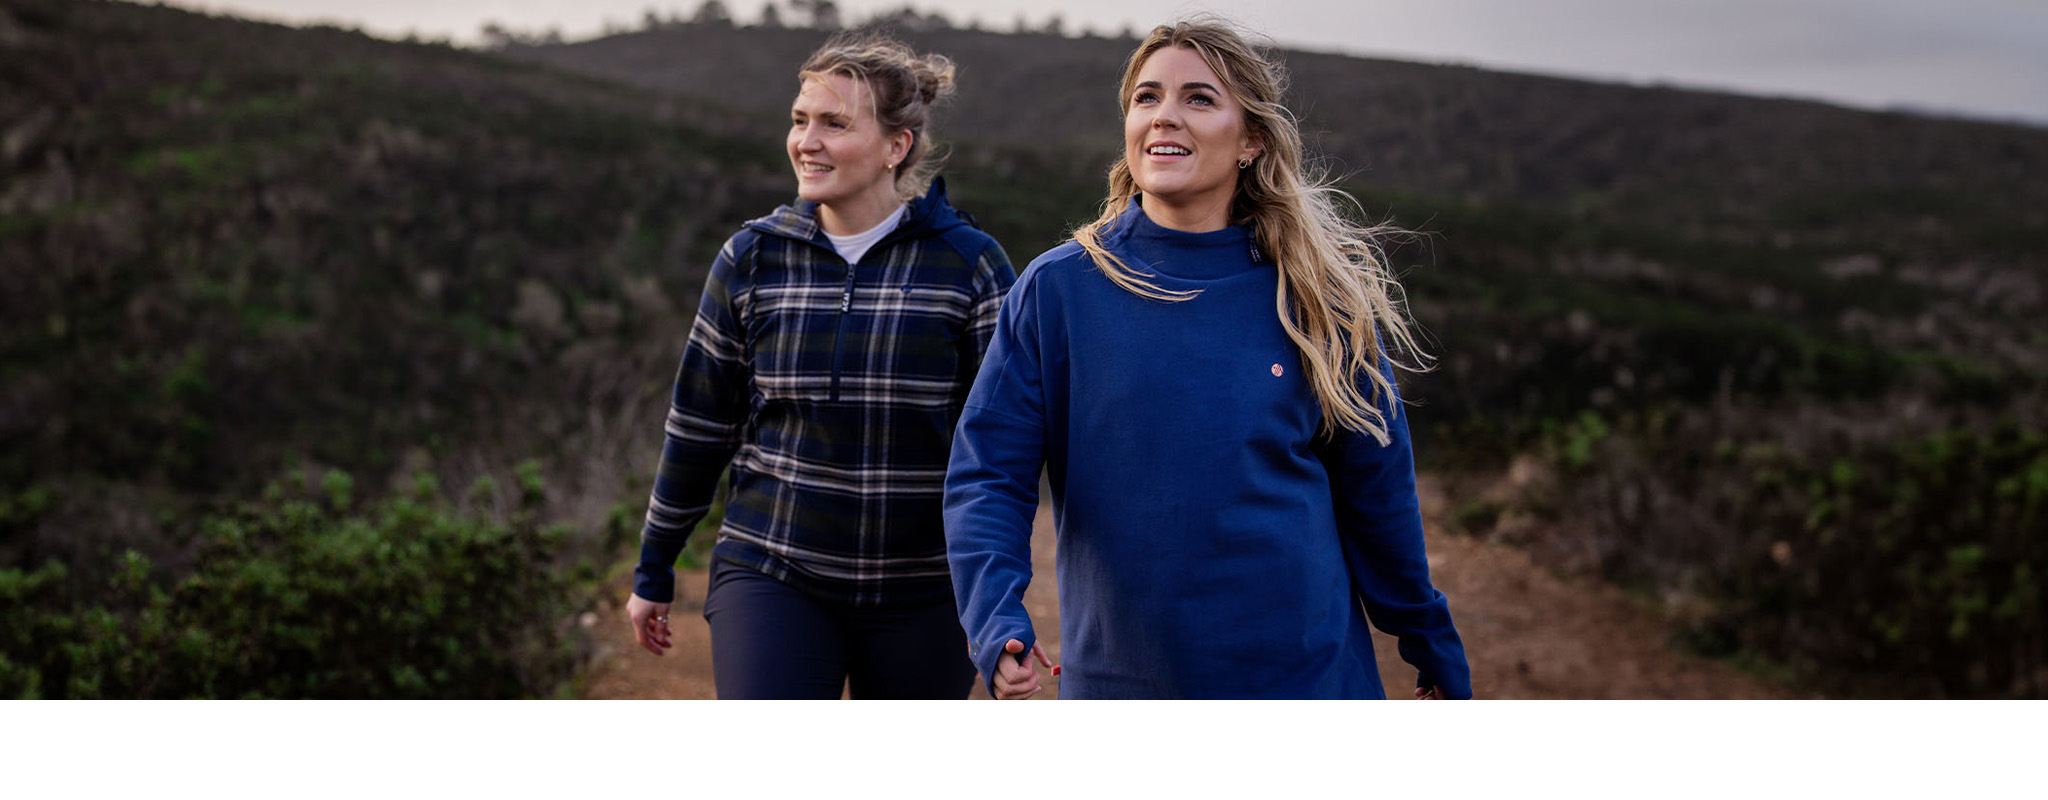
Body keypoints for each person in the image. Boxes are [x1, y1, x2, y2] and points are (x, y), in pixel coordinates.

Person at [944, 18, 1471, 699]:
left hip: (1304, 682)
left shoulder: (1319, 296)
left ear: (1250, 139)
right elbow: (989, 473)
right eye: (1147, 97)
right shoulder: (1059, 290)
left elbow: (1378, 494)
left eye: (1198, 98)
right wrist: (996, 619)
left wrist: (1428, 638)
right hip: (1125, 689)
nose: (1165, 116)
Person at [626, 32, 1015, 699]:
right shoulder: (752, 258)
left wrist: (1000, 601)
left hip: (924, 588)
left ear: (899, 146)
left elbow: (1001, 450)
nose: (807, 140)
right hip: (773, 569)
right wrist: (655, 563)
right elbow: (699, 425)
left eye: (834, 123)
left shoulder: (971, 268)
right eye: (800, 120)